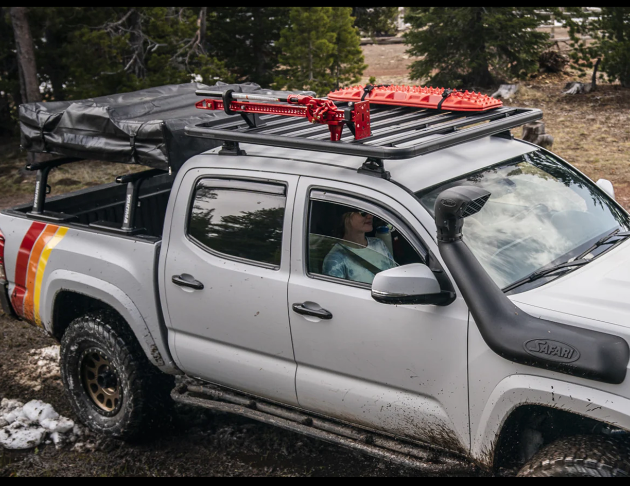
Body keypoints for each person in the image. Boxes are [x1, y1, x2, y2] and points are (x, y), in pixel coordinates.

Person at [322, 210, 397, 284]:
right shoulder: (335, 259)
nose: (370, 216)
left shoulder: (378, 243)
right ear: (346, 217)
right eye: (362, 212)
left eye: (370, 211)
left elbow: (395, 276)